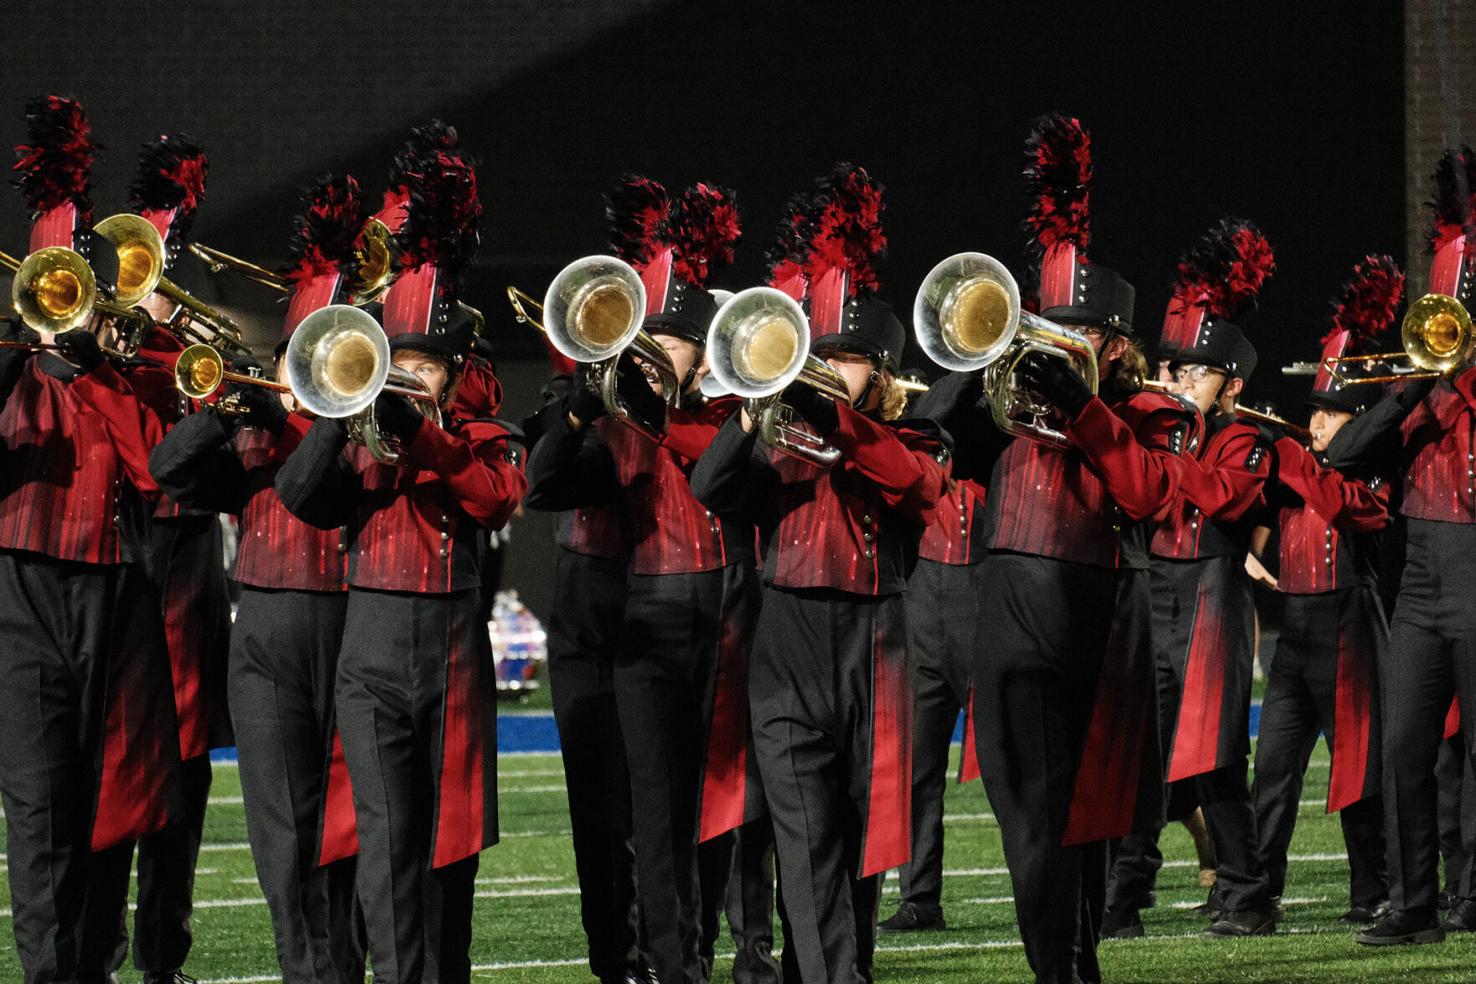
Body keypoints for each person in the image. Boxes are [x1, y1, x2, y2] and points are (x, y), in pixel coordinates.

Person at [950, 115, 1198, 983]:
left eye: (1076, 332)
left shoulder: (1146, 412)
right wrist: (984, 352)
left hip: (1098, 617)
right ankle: (1064, 966)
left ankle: (1071, 964)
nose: (1054, 345)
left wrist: (1085, 406)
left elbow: (1150, 496)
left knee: (1085, 812)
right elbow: (937, 440)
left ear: (1117, 345)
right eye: (1045, 329)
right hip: (1010, 607)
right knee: (1030, 810)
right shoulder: (1010, 410)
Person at [276, 133, 525, 983]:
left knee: (448, 843)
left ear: (456, 374)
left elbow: (494, 498)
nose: (408, 377)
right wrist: (341, 414)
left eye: (421, 365)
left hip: (453, 645)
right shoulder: (362, 432)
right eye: (398, 362)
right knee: (382, 840)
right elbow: (302, 500)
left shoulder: (487, 434)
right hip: (371, 641)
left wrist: (422, 429)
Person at [692, 163, 949, 983]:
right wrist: (751, 404)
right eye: (819, 358)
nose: (828, 371)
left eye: (846, 361)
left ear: (880, 371)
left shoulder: (918, 438)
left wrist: (829, 410)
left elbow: (914, 490)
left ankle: (843, 969)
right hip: (788, 638)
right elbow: (709, 488)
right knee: (803, 839)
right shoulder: (773, 435)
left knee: (861, 834)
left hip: (877, 641)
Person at [526, 176, 775, 984]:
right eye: (648, 340)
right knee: (617, 803)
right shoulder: (604, 412)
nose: (655, 355)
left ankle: (688, 953)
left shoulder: (708, 417)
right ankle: (628, 960)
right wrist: (577, 403)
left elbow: (728, 480)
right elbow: (544, 487)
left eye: (671, 342)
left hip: (694, 607)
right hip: (612, 606)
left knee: (687, 800)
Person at [148, 172, 373, 984]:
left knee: (350, 826)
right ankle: (304, 972)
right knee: (282, 832)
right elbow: (167, 472)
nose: (309, 368)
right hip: (269, 632)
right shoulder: (253, 424)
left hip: (352, 626)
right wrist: (224, 410)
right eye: (296, 354)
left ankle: (346, 968)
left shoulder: (359, 420)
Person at [0, 94, 181, 984]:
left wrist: (100, 366)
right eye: (51, 285)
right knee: (37, 810)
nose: (63, 303)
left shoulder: (131, 372)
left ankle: (93, 969)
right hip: (21, 593)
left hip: (117, 594)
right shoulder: (11, 370)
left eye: (73, 285)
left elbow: (158, 471)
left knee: (111, 804)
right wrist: (23, 349)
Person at [1105, 218, 1280, 939]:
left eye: (1193, 372)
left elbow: (1226, 498)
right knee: (1139, 755)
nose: (1176, 381)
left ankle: (1247, 897)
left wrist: (1165, 446)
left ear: (1231, 382)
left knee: (1212, 757)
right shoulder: (1156, 421)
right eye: (1172, 369)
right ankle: (1123, 898)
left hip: (1213, 591)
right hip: (1156, 589)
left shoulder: (1248, 438)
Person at [1328, 146, 1476, 945]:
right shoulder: (1419, 394)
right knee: (1405, 746)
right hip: (1420, 576)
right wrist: (1416, 385)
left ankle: (1471, 891)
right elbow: (1343, 458)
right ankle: (1415, 906)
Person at [1250, 255, 1401, 928]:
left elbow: (1359, 514)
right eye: (1313, 414)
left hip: (1350, 621)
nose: (1313, 426)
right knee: (1274, 769)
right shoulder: (1297, 465)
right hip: (1296, 629)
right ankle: (1257, 891)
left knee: (1358, 771)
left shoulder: (1369, 476)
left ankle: (1372, 889)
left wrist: (1305, 464)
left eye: (1331, 416)